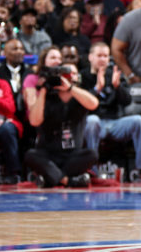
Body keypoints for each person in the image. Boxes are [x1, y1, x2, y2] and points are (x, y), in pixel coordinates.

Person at [23, 48, 99, 188]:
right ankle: (68, 181)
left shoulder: (80, 96)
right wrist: (44, 90)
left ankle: (51, 178)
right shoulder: (49, 97)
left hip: (72, 156)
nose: (69, 77)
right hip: (49, 154)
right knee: (30, 155)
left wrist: (70, 88)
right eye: (65, 74)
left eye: (73, 74)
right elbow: (34, 121)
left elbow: (94, 104)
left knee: (92, 154)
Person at [81, 42, 141, 183]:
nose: (103, 59)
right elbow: (81, 105)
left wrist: (118, 87)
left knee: (138, 121)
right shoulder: (83, 76)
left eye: (106, 56)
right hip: (95, 123)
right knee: (92, 121)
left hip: (115, 123)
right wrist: (97, 89)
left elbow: (127, 101)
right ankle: (91, 170)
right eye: (99, 55)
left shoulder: (114, 74)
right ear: (90, 57)